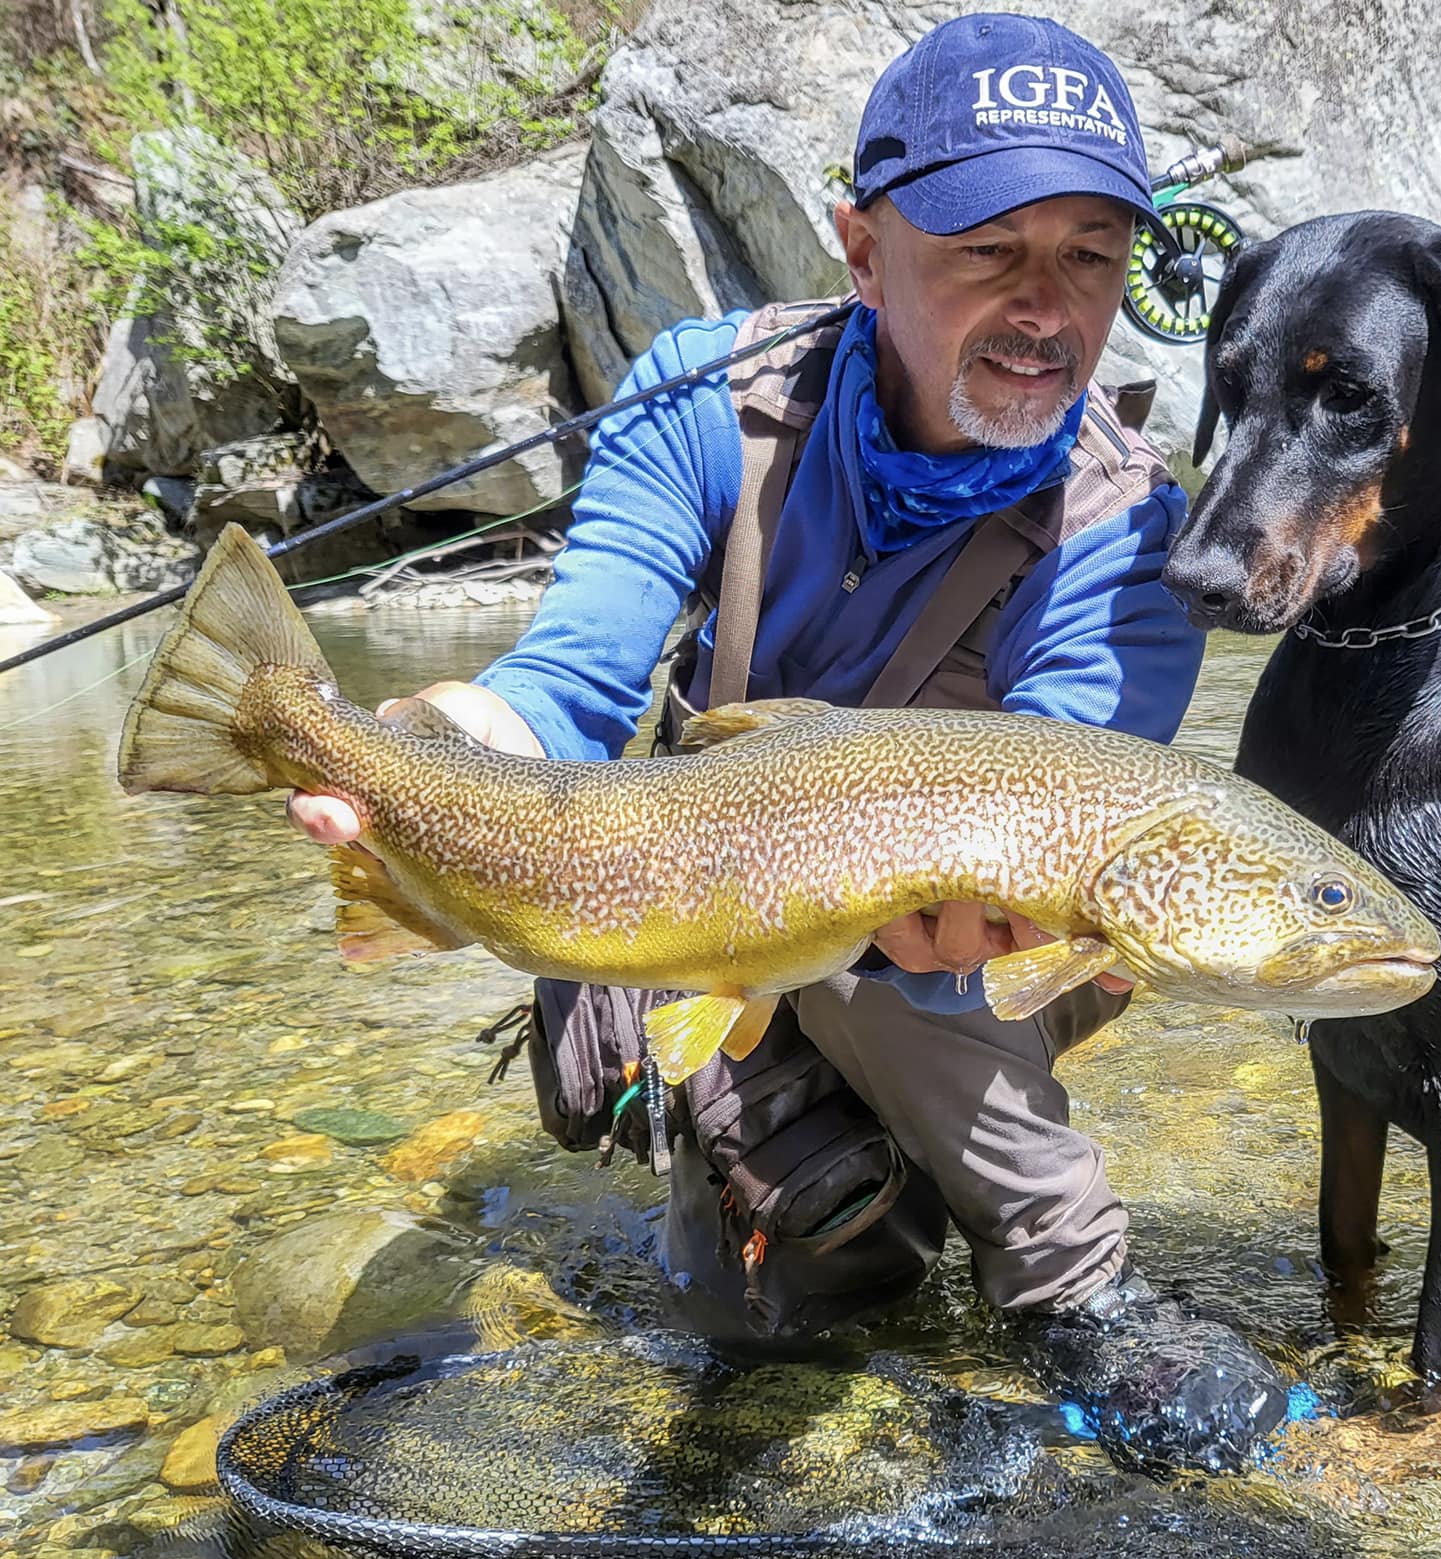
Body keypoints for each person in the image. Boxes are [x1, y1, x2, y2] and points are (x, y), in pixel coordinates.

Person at [289, 13, 1290, 1471]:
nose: (1047, 309)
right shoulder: (707, 397)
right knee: (788, 1309)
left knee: (899, 935)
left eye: (1089, 254)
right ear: (863, 251)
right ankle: (732, 1096)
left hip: (948, 955)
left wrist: (939, 936)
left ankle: (1073, 1284)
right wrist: (425, 756)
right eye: (986, 249)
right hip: (702, 872)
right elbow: (570, 680)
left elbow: (1047, 805)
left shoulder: (1132, 527)